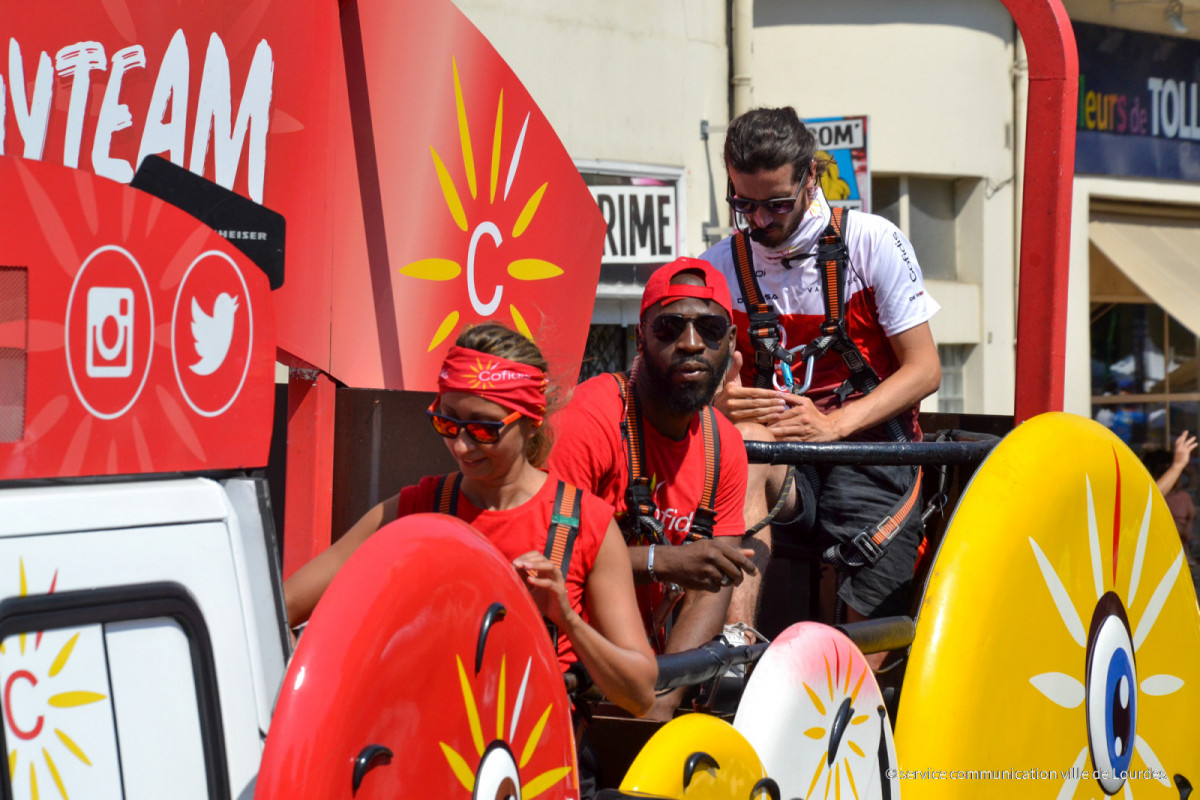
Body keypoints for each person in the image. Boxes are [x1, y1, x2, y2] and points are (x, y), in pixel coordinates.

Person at [283, 323, 657, 729]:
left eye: (484, 428)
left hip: (532, 769)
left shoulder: (585, 524)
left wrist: (566, 618)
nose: (461, 445)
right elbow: (282, 608)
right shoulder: (418, 507)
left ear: (532, 419)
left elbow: (639, 695)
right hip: (432, 759)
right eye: (447, 422)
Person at [701, 107, 942, 660]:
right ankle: (733, 650)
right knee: (744, 449)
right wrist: (719, 400)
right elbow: (693, 392)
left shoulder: (872, 241)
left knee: (865, 653)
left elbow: (924, 369)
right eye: (745, 204)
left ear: (812, 176)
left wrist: (832, 425)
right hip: (785, 458)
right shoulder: (717, 267)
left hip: (873, 451)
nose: (760, 220)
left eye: (777, 204)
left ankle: (856, 689)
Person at [550, 257, 761, 719]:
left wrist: (658, 704)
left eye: (709, 329)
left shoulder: (724, 444)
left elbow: (713, 581)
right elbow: (552, 566)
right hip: (567, 671)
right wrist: (662, 561)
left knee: (716, 567)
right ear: (640, 338)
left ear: (729, 345)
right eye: (669, 327)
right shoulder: (588, 420)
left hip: (649, 674)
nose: (690, 344)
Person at [1145, 430, 1197, 561]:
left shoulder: (1184, 497)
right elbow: (1151, 498)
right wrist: (1177, 466)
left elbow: (1190, 522)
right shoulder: (1152, 496)